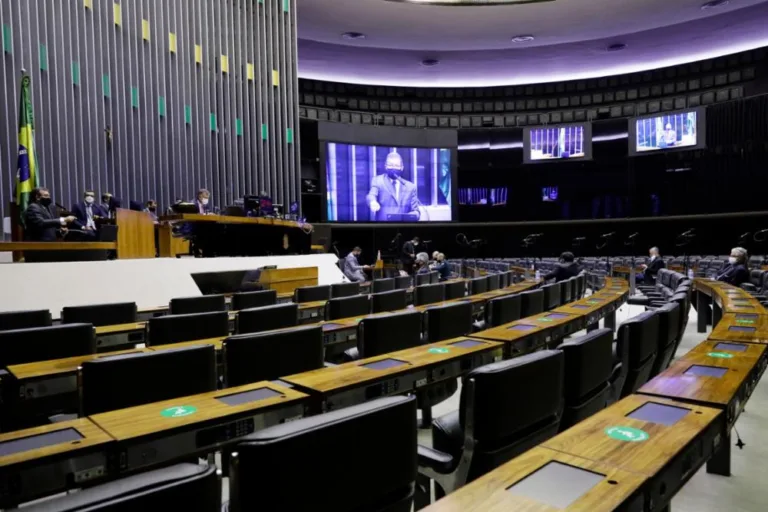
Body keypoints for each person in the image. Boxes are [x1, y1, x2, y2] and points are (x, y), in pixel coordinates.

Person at [366, 151, 421, 222]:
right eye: (390, 165)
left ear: (402, 167)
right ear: (385, 166)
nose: (393, 168)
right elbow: (371, 195)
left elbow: (416, 212)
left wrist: (410, 216)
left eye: (397, 165)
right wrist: (372, 202)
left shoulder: (410, 187)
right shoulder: (378, 180)